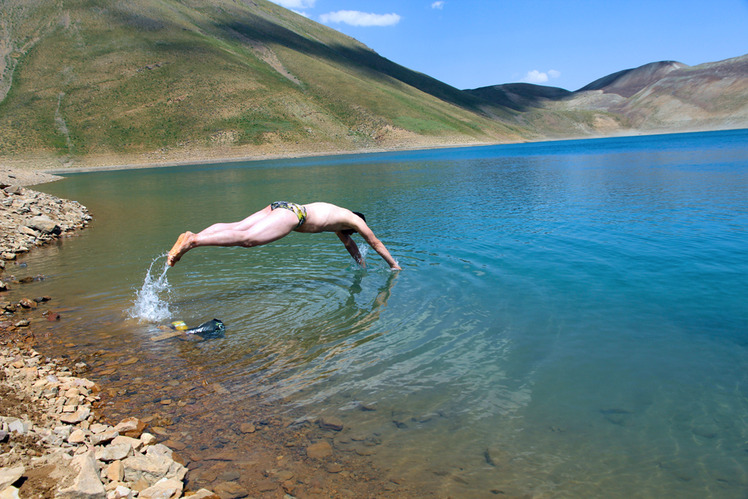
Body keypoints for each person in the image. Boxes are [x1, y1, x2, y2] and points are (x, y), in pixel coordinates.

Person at [167, 201, 402, 270]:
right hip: (294, 216)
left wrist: (360, 263)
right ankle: (193, 242)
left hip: (283, 205)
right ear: (356, 222)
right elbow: (374, 241)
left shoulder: (339, 217)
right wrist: (393, 265)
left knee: (238, 227)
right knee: (248, 240)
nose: (346, 236)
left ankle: (193, 235)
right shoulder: (354, 220)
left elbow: (350, 245)